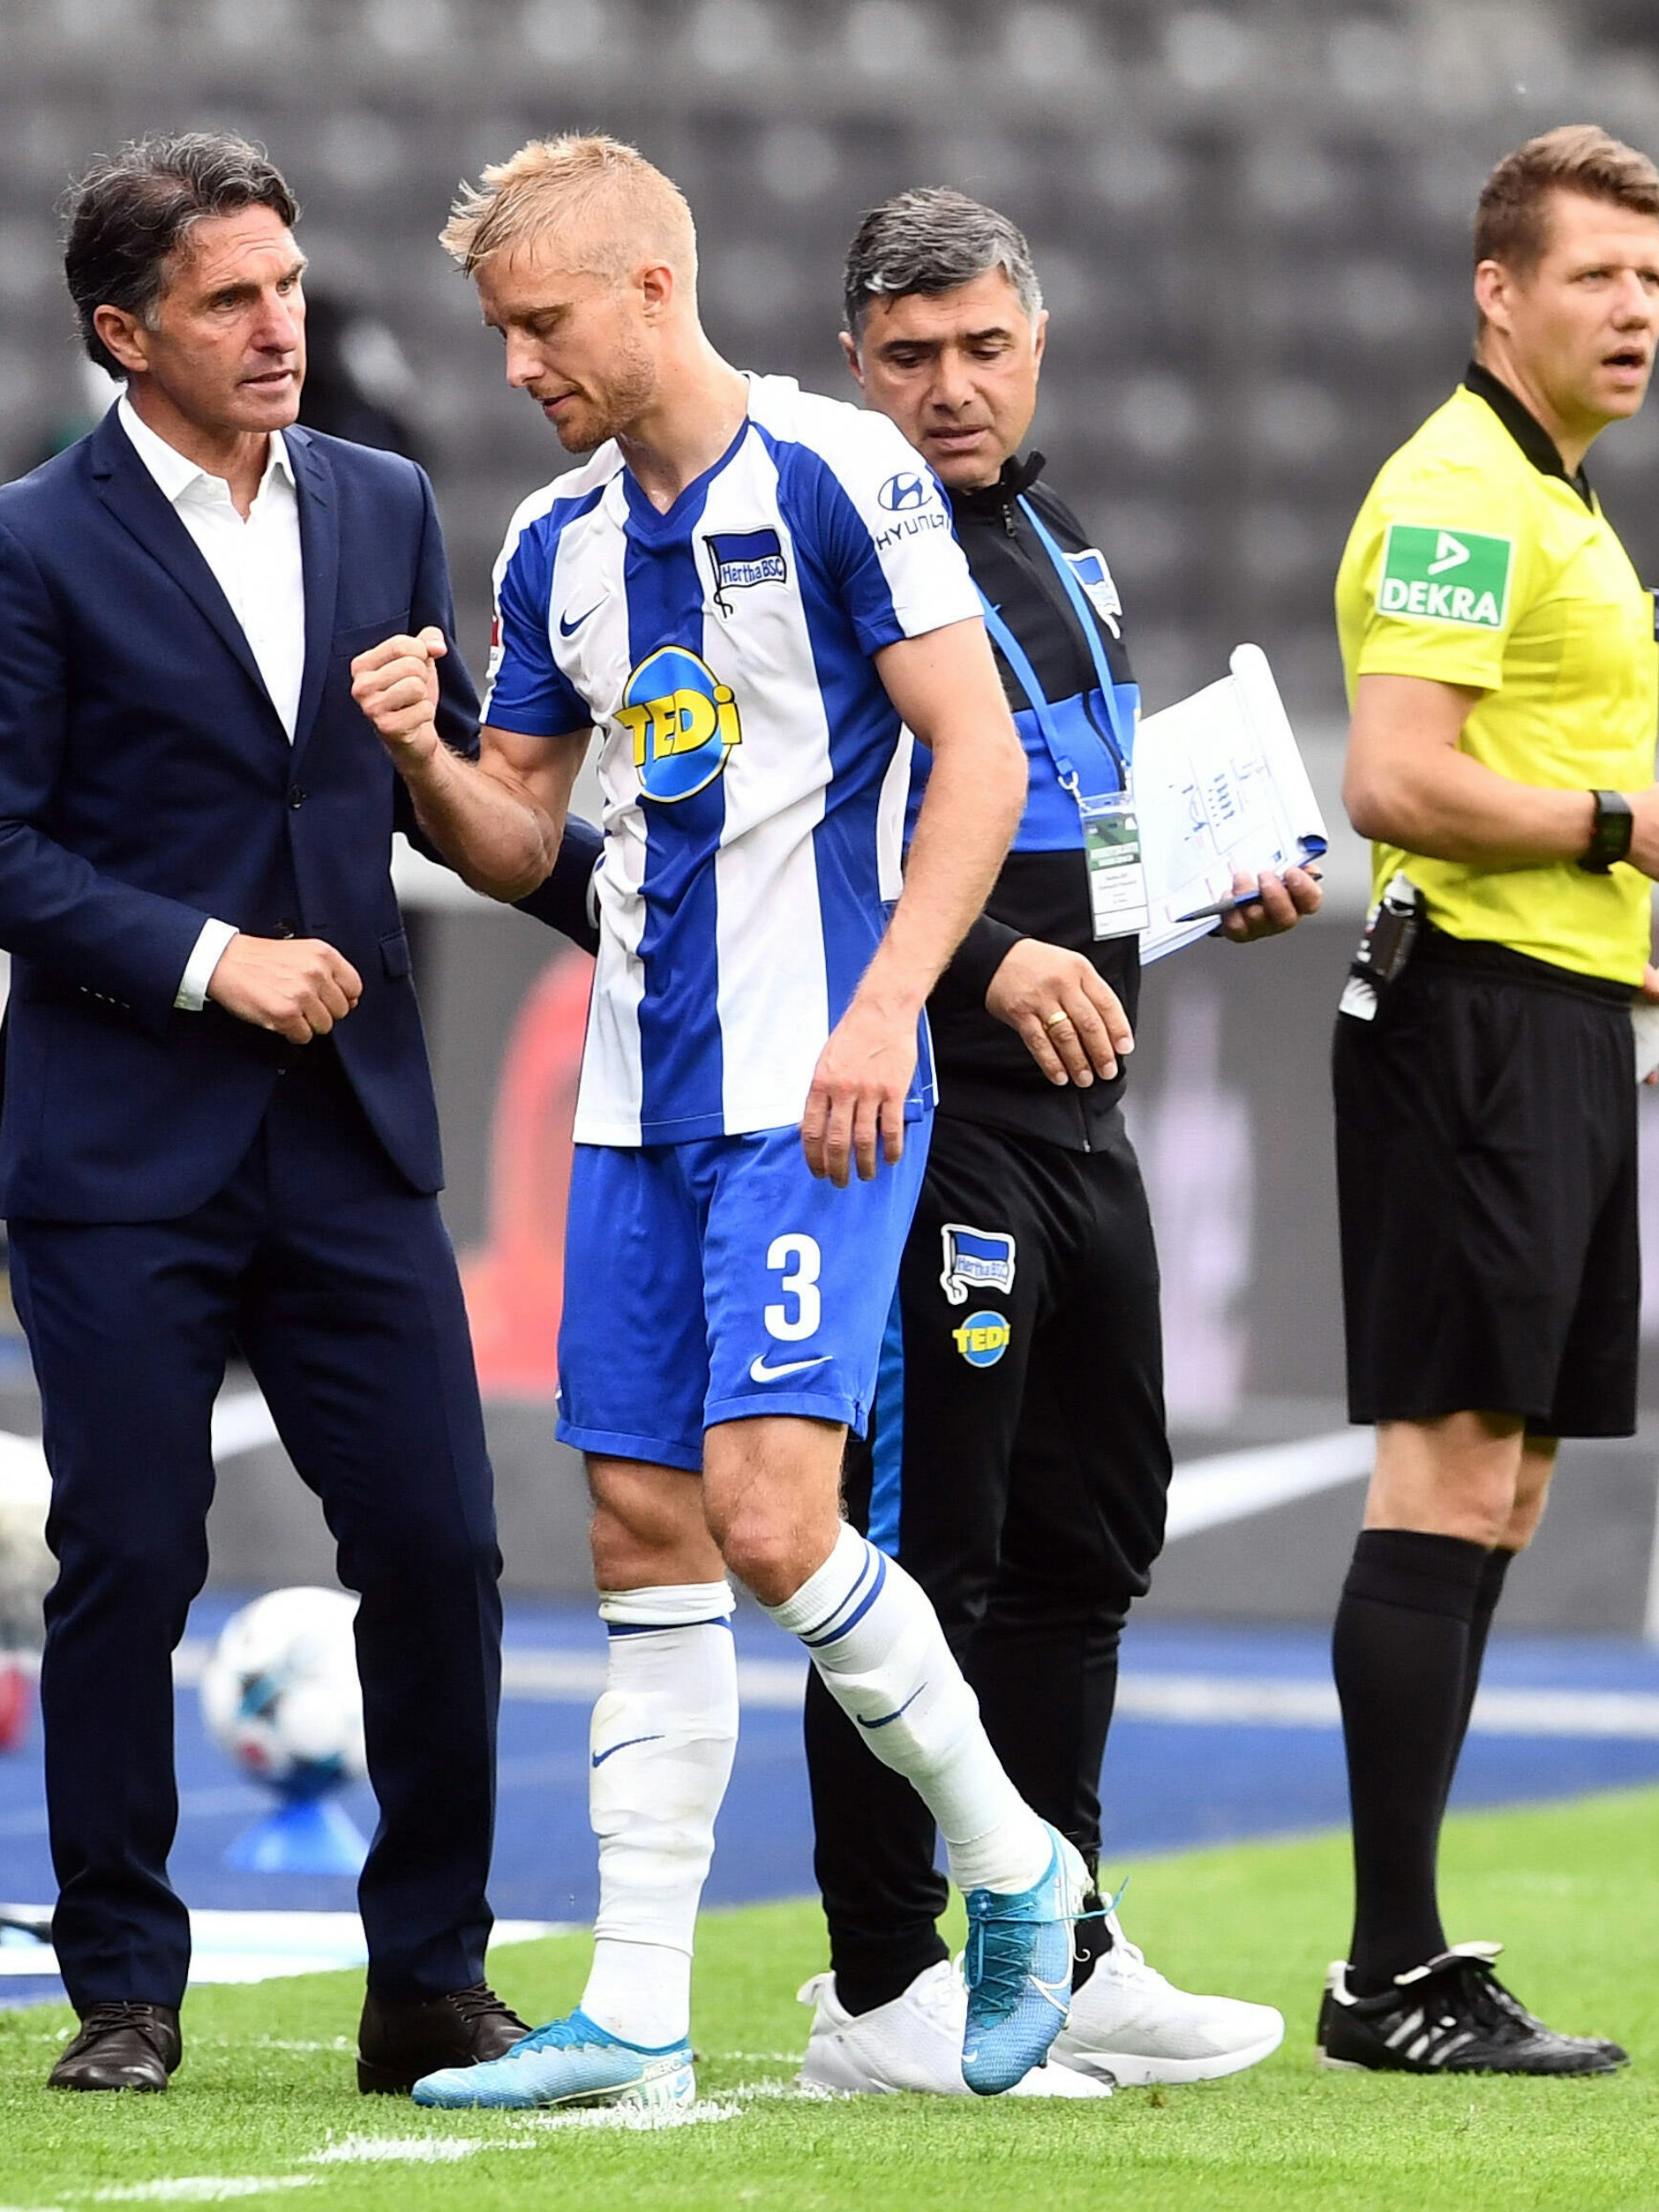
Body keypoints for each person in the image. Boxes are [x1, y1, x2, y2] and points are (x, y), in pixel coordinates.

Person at [349, 133, 1085, 2114]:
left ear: (653, 287)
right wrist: (422, 752)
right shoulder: (555, 541)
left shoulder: (840, 472)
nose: (517, 363)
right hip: (633, 1103)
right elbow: (522, 837)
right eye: (501, 331)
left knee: (773, 1519)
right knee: (643, 1533)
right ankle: (640, 2019)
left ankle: (1017, 1869)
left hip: (815, 1086)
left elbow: (977, 755)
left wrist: (884, 1008)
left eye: (542, 323)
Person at [0, 131, 533, 2096]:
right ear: (125, 332)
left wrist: (493, 804)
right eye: (230, 298)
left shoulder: (386, 501)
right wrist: (212, 959)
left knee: (443, 1549)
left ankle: (430, 1983)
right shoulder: (31, 542)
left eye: (288, 286)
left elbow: (444, 779)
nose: (279, 324)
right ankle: (123, 1990)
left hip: (347, 1134)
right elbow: (4, 845)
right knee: (130, 1561)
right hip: (119, 1142)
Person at [795, 189, 1314, 2096]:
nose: (950, 387)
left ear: (1038, 343)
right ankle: (875, 1982)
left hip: (1083, 1110)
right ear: (853, 364)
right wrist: (991, 961)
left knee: (1090, 1534)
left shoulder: (1053, 530)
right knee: (922, 1553)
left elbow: (1076, 811)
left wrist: (1203, 884)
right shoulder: (827, 552)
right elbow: (798, 847)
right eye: (910, 356)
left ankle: (1069, 1942)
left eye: (982, 348)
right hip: (930, 1110)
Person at [1323, 124, 1659, 2074]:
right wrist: (1624, 826)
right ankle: (1385, 1971)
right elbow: (1395, 776)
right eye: (1597, 276)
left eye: (1652, 281)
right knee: (1448, 1469)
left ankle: (1407, 1955)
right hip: (1470, 1023)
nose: (1635, 311)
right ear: (1497, 291)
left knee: (1506, 1481)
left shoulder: (1559, 500)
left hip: (1559, 1016)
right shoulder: (1461, 493)